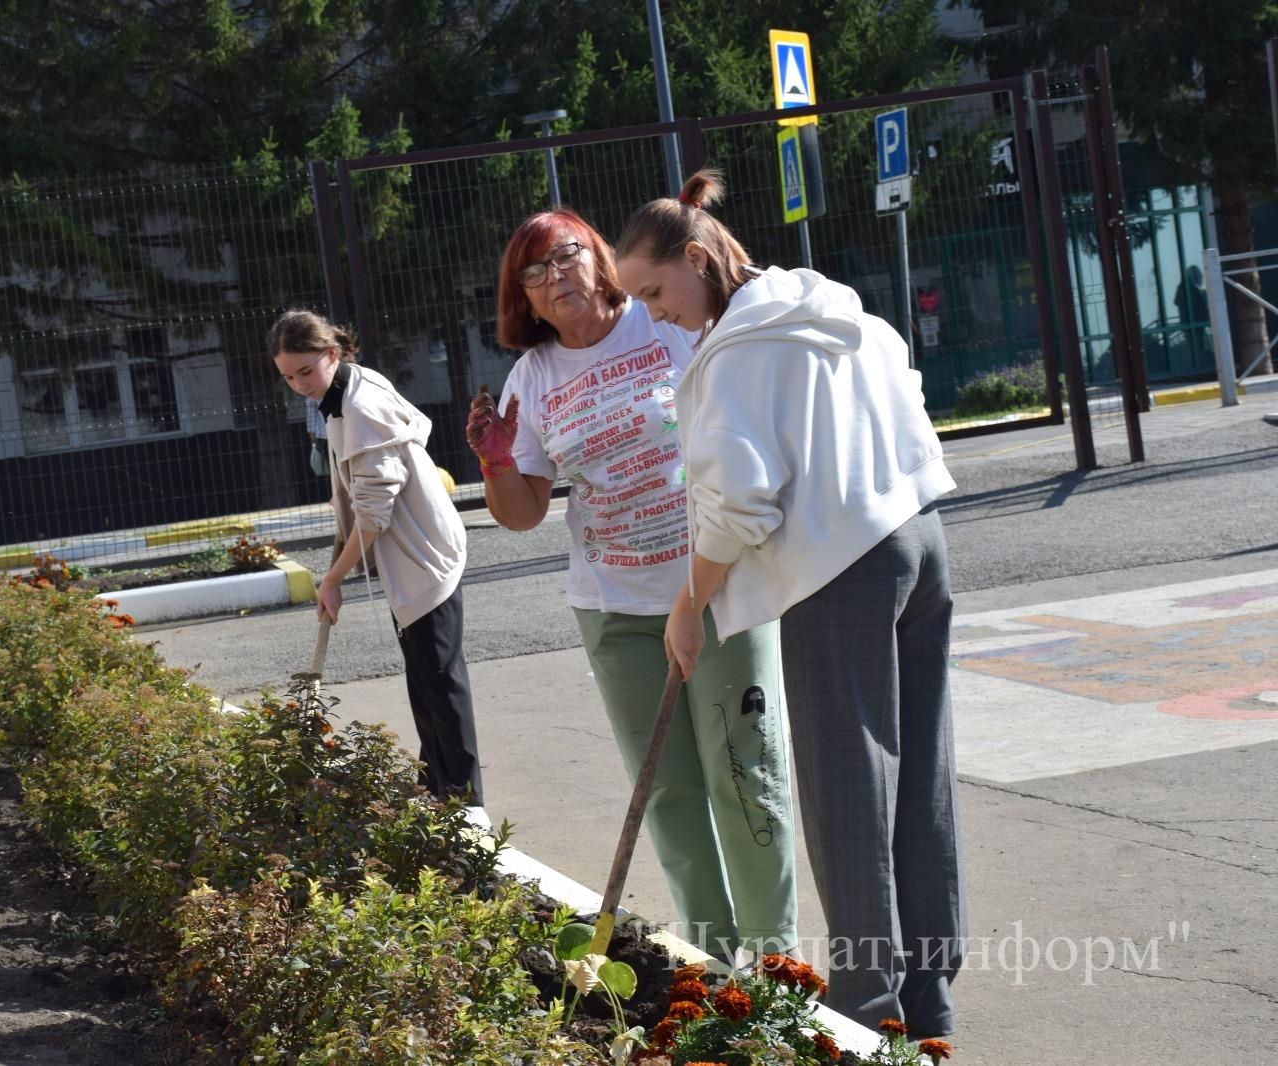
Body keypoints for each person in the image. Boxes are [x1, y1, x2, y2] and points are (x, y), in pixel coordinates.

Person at [614, 170, 966, 1037]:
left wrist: (689, 604)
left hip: (838, 569)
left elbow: (741, 502)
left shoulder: (737, 355)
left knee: (848, 795)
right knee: (920, 776)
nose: (653, 313)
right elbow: (911, 400)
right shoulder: (831, 304)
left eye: (655, 291)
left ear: (698, 258)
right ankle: (928, 1003)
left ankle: (865, 1011)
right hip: (920, 540)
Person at [466, 207, 797, 962]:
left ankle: (778, 966)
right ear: (523, 296)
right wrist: (495, 460)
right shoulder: (534, 377)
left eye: (566, 257)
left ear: (599, 257)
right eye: (535, 273)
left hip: (719, 590)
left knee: (747, 773)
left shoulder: (667, 326)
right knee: (669, 793)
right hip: (615, 611)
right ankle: (718, 964)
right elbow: (520, 515)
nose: (555, 281)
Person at [269, 309, 483, 811]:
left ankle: (466, 802)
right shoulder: (345, 393)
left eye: (306, 370)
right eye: (288, 376)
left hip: (423, 556)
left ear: (332, 353)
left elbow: (373, 517)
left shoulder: (359, 406)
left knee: (440, 677)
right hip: (409, 555)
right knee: (423, 677)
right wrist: (336, 571)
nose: (299, 384)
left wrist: (333, 579)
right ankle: (436, 788)